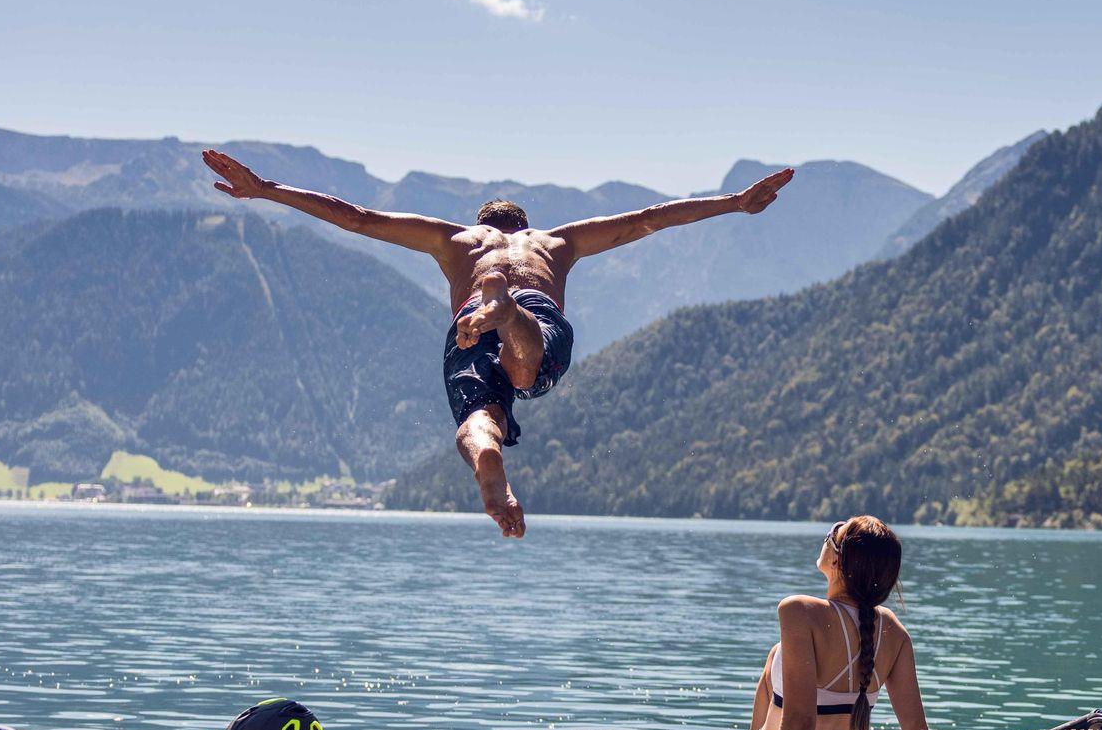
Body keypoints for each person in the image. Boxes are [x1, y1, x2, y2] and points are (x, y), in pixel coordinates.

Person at [200, 149, 794, 537]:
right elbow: (649, 218)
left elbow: (355, 217)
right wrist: (734, 203)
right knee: (527, 368)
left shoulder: (456, 240)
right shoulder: (556, 243)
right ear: (524, 227)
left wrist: (266, 188)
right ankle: (509, 316)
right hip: (535, 314)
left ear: (483, 225)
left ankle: (491, 447)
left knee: (478, 419)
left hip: (469, 320)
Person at [656, 516, 929, 730]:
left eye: (833, 533)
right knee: (776, 655)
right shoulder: (894, 632)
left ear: (836, 561)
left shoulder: (800, 611)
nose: (827, 535)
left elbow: (800, 720)